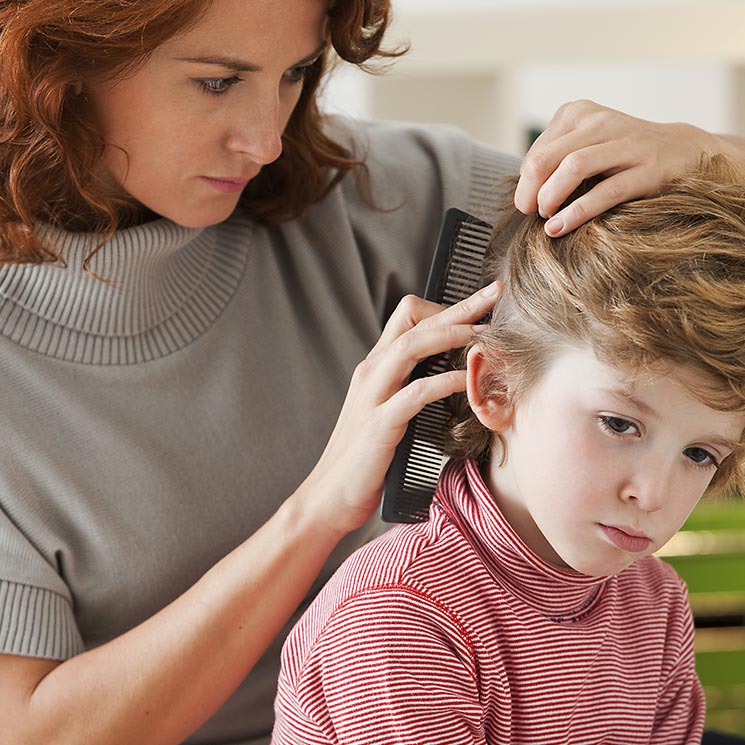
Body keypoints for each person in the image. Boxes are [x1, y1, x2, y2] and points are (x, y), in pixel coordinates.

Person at [0, 1, 744, 743]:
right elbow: (36, 731)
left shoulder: (380, 191)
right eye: (217, 82)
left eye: (293, 74)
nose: (265, 139)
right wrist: (319, 509)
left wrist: (708, 156)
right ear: (59, 62)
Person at [272, 159, 745, 745]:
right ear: (497, 388)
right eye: (619, 423)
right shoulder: (399, 619)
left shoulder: (654, 604)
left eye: (699, 454)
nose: (653, 495)